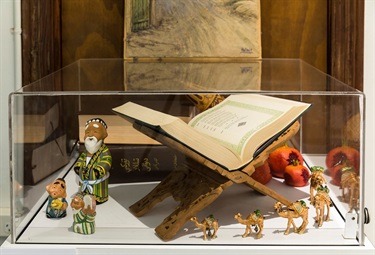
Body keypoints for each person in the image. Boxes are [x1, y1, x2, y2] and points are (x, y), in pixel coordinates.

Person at [74, 118, 112, 204]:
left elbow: (107, 160)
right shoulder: (85, 151)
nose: (90, 135)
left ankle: (97, 197)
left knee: (97, 193)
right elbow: (81, 159)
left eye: (95, 132)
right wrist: (78, 166)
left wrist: (99, 170)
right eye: (87, 132)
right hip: (84, 181)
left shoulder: (104, 151)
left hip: (98, 185)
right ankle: (84, 194)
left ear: (104, 134)